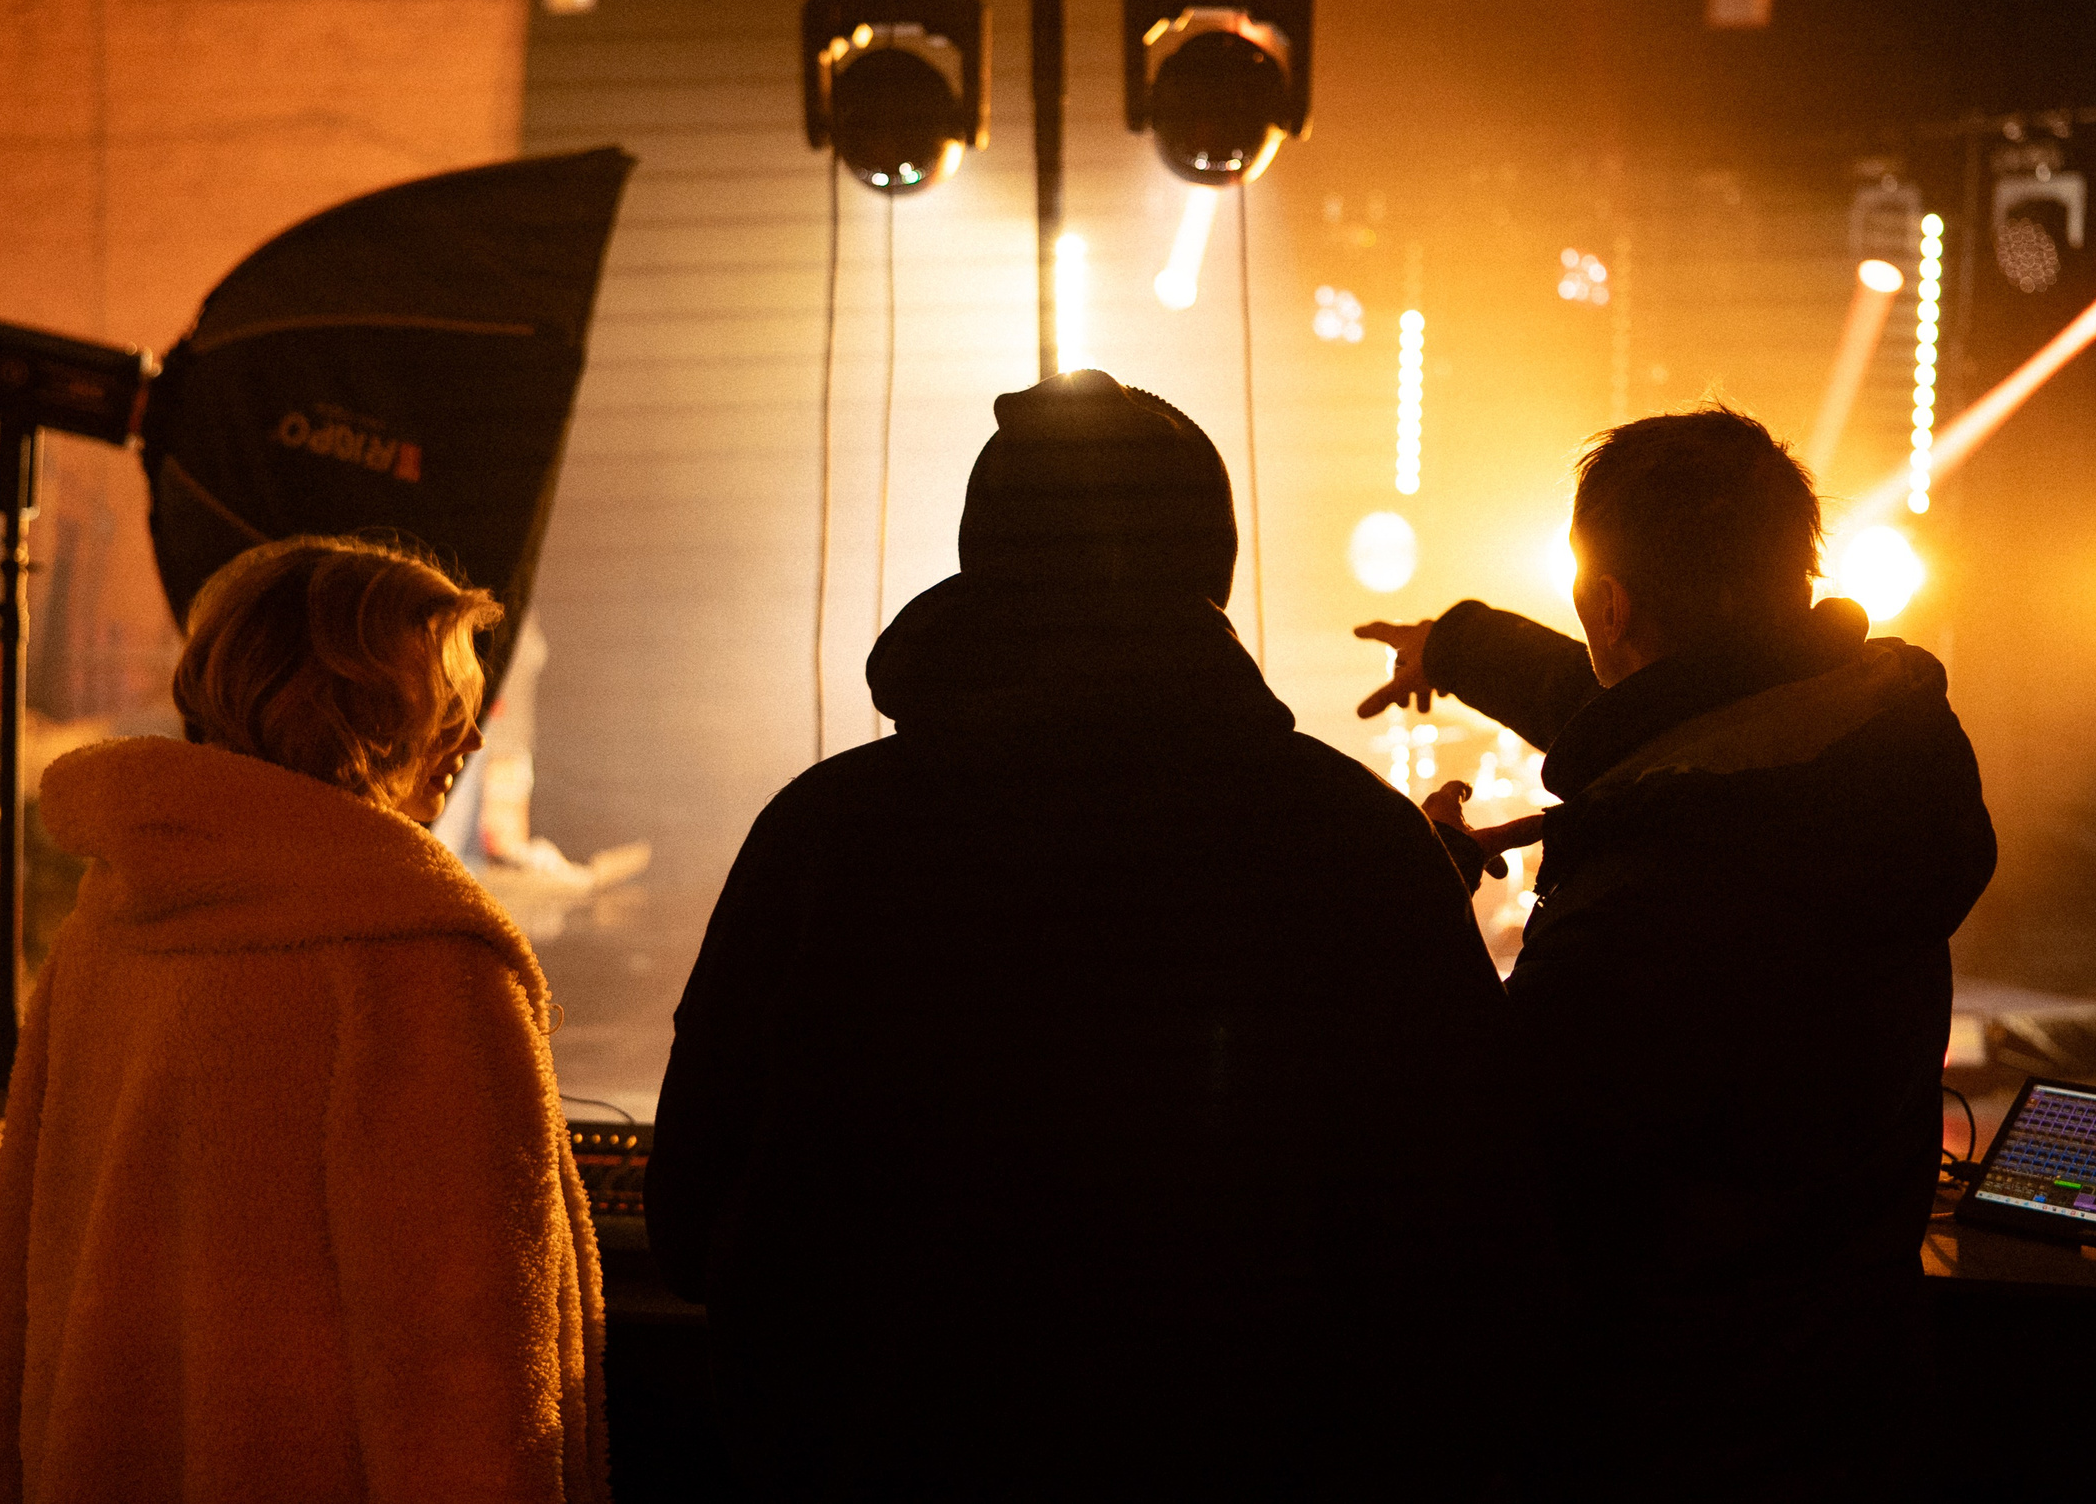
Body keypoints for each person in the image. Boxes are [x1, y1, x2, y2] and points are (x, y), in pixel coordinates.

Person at [647, 369, 1542, 1501]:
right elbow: (1469, 1251)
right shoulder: (1354, 845)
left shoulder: (824, 835)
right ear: (1207, 566)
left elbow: (689, 1225)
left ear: (983, 552)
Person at [1359, 405, 1995, 1496]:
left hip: (1677, 1432)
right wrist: (1459, 645)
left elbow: (1485, 1153)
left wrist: (1419, 898)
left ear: (1609, 603)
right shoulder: (1863, 750)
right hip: (1859, 1404)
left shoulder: (1645, 908)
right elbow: (1659, 714)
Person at [0, 536, 608, 1504]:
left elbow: (6, 1313)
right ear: (362, 714)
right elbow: (466, 1386)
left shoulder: (112, 928)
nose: (468, 738)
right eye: (445, 704)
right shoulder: (420, 962)